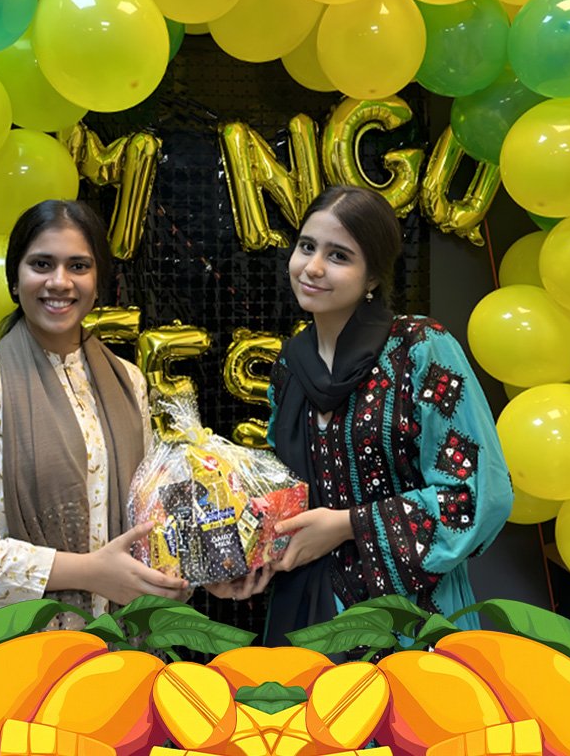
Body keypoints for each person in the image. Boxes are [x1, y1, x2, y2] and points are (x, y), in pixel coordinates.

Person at [213, 185, 513, 645]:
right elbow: (286, 495)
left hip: (407, 619)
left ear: (372, 276)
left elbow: (477, 496)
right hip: (306, 612)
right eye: (306, 247)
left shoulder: (419, 350)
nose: (313, 267)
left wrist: (347, 526)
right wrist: (248, 559)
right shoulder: (291, 366)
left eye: (338, 256)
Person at [0, 199, 188, 650]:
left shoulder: (127, 382)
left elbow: (144, 517)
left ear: (98, 282)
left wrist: (193, 566)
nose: (59, 281)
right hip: (4, 658)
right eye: (42, 264)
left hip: (112, 656)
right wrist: (89, 572)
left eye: (78, 266)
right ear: (14, 279)